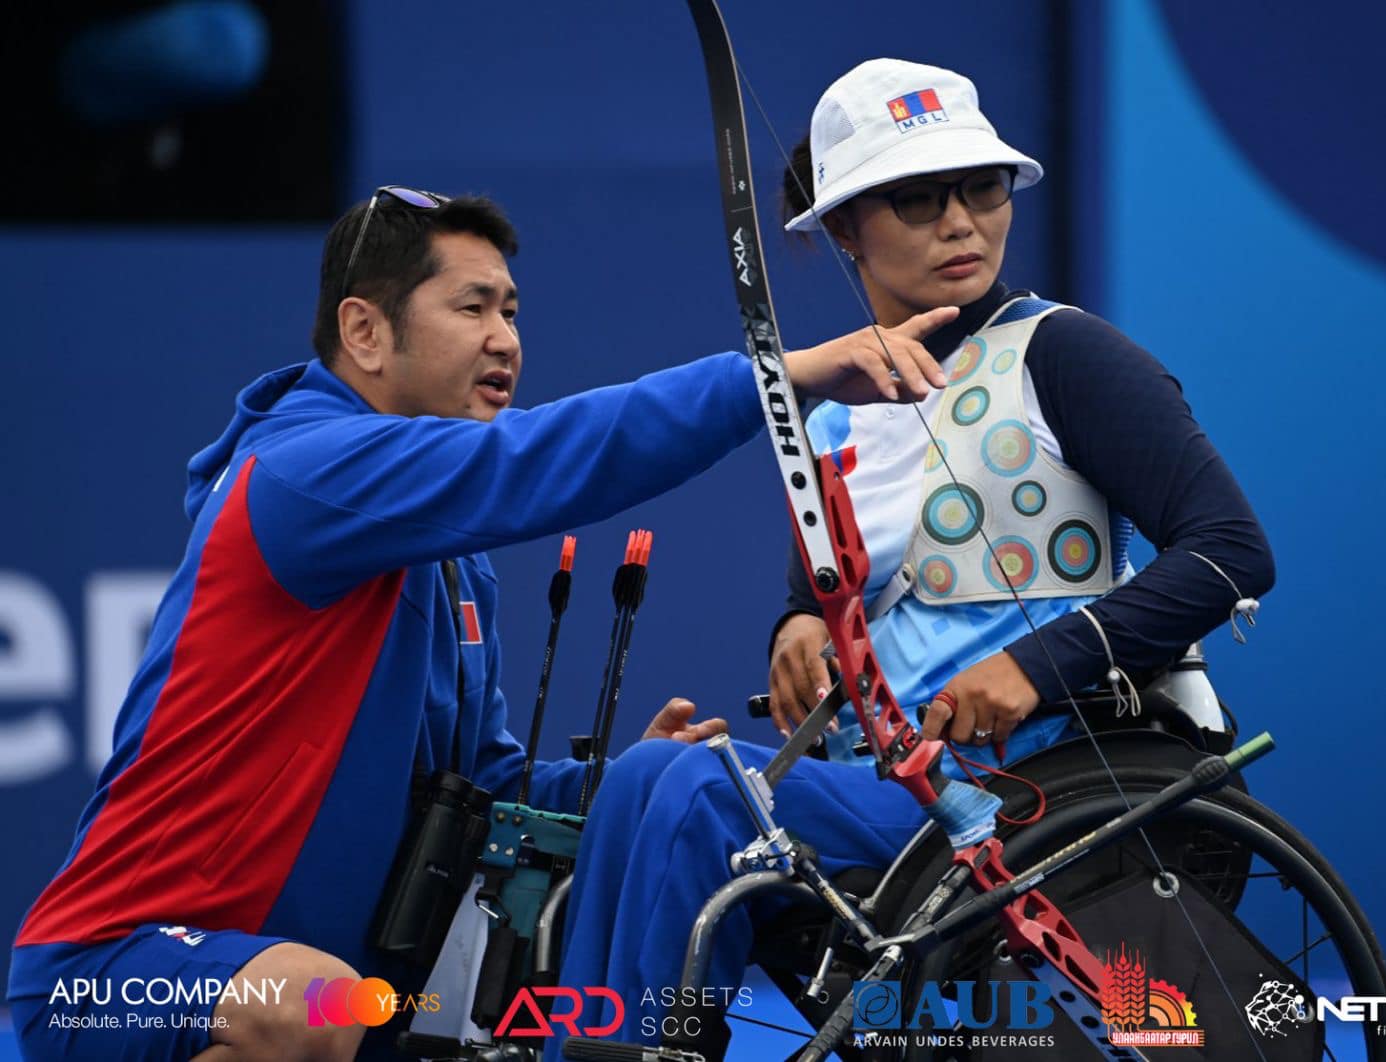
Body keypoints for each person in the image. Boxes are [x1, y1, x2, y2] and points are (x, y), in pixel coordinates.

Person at [4, 188, 957, 1062]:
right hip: (101, 981)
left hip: (316, 1000)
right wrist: (785, 376)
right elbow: (545, 457)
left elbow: (480, 790)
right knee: (325, 1004)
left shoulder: (446, 557)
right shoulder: (302, 475)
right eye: (472, 308)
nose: (506, 338)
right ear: (365, 333)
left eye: (511, 310)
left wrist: (612, 782)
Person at [556, 58, 1275, 1056]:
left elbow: (1231, 553)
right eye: (917, 199)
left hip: (1025, 799)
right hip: (887, 796)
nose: (962, 222)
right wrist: (797, 625)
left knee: (688, 798)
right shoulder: (837, 407)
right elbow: (825, 593)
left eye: (980, 188)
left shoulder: (1064, 355)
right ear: (843, 227)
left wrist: (1033, 666)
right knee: (648, 775)